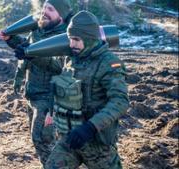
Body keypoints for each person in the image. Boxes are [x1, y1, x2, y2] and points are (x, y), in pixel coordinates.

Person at [45, 11, 129, 169]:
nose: (71, 44)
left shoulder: (109, 63)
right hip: (70, 138)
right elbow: (52, 68)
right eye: (70, 39)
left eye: (76, 39)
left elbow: (120, 101)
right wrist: (27, 53)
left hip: (97, 144)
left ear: (90, 38)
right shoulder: (72, 58)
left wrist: (90, 127)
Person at [0, 0, 73, 167]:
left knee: (42, 139)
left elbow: (59, 68)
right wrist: (11, 39)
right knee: (41, 141)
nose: (44, 11)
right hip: (32, 93)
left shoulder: (65, 38)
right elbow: (27, 47)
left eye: (50, 9)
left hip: (49, 97)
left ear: (60, 15)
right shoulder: (40, 28)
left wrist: (31, 54)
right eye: (44, 7)